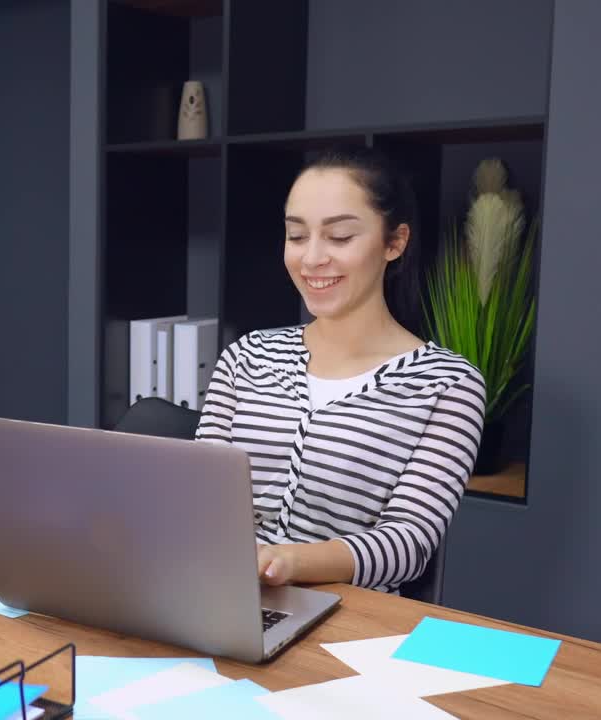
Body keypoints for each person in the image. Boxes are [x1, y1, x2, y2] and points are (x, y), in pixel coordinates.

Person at [195, 146, 486, 594]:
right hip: (220, 593)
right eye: (296, 236)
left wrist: (287, 562)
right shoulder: (246, 356)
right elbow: (201, 495)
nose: (311, 258)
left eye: (340, 237)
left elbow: (408, 543)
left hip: (347, 615)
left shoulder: (447, 385)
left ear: (395, 242)